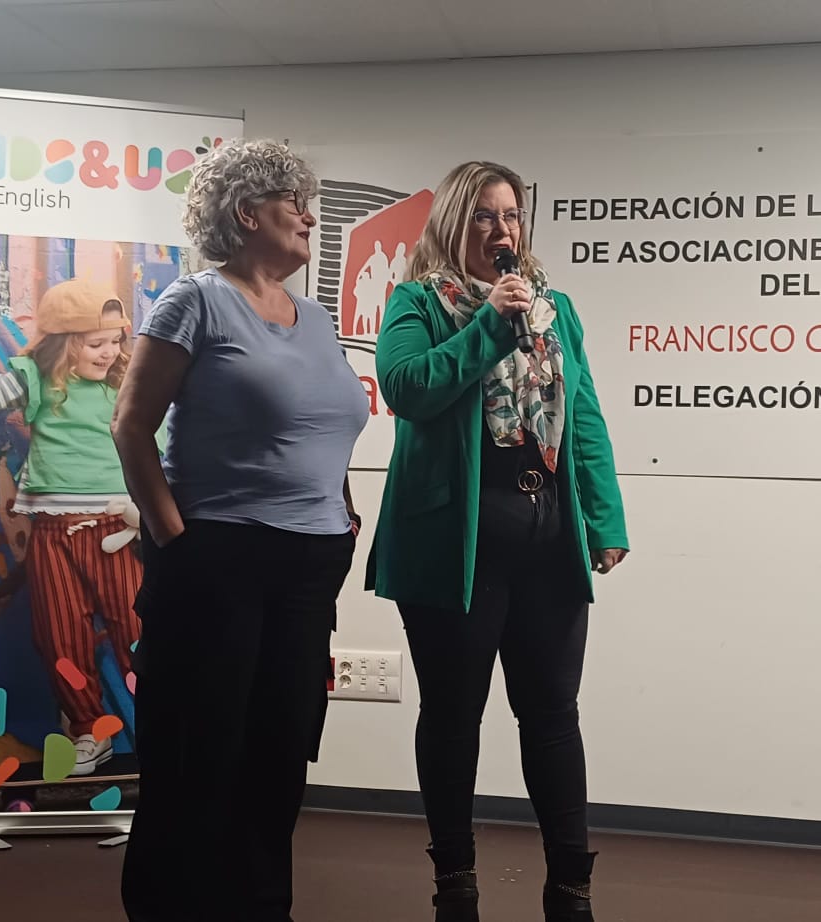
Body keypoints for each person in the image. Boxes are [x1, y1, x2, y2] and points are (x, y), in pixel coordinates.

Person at [112, 138, 369, 922]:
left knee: (279, 756)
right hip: (218, 557)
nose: (311, 218)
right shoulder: (194, 301)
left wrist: (342, 511)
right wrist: (177, 540)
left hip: (309, 565)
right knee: (198, 755)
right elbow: (131, 426)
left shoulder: (317, 319)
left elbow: (326, 426)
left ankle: (261, 909)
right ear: (248, 213)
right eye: (296, 204)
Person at [366, 161, 629, 922]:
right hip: (455, 540)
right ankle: (455, 880)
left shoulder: (555, 308)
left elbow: (583, 416)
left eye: (511, 216)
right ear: (455, 222)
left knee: (553, 714)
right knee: (453, 715)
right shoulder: (419, 301)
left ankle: (571, 885)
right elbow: (407, 389)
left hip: (547, 536)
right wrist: (487, 325)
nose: (501, 230)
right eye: (484, 215)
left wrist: (605, 518)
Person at [0, 278, 151, 775]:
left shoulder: (125, 382)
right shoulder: (36, 379)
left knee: (137, 629)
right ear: (64, 345)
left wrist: (148, 510)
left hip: (113, 528)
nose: (109, 352)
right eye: (96, 343)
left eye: (115, 341)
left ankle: (165, 725)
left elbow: (156, 440)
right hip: (51, 531)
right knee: (59, 634)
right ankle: (89, 731)